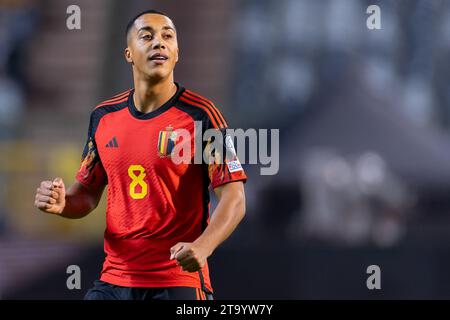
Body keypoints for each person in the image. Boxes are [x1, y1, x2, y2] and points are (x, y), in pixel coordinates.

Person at [34, 9, 247, 300]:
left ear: (176, 53)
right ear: (129, 54)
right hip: (114, 281)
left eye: (167, 37)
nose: (158, 42)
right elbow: (86, 194)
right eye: (146, 36)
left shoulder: (202, 115)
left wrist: (203, 246)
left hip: (176, 282)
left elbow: (234, 197)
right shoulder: (104, 117)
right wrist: (63, 204)